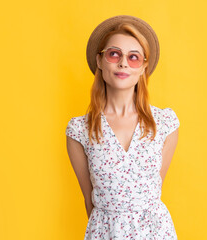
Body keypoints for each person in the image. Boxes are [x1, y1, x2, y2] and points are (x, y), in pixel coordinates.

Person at [65, 15, 180, 239]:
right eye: (114, 54)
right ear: (100, 61)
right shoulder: (79, 130)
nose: (123, 63)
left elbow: (152, 193)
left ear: (143, 67)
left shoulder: (165, 124)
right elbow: (90, 202)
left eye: (134, 57)